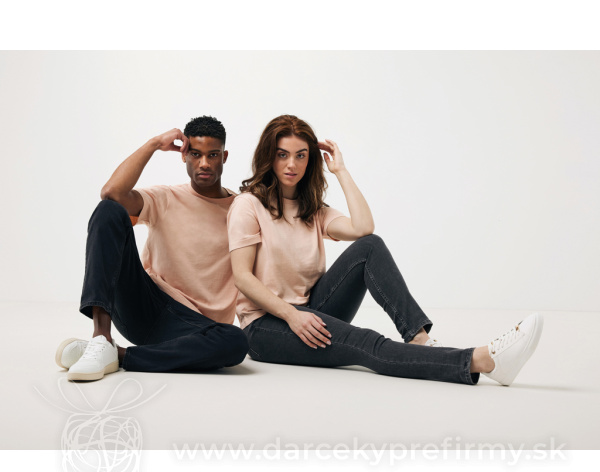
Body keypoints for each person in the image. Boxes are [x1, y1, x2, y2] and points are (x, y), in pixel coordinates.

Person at [227, 114, 543, 386]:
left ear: (311, 160)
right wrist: (291, 315)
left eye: (301, 155)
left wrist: (341, 171)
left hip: (313, 310)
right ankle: (482, 360)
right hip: (266, 327)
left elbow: (363, 228)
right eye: (282, 155)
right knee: (365, 342)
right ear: (269, 157)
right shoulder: (248, 205)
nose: (291, 164)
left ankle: (419, 338)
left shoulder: (313, 210)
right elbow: (242, 277)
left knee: (370, 247)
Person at [55, 116, 249, 382]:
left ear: (224, 157)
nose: (204, 163)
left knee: (235, 341)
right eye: (196, 154)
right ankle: (101, 338)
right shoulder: (166, 197)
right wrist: (154, 144)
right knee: (109, 210)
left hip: (194, 328)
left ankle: (118, 355)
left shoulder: (242, 210)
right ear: (184, 156)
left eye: (213, 155)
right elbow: (111, 193)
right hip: (145, 305)